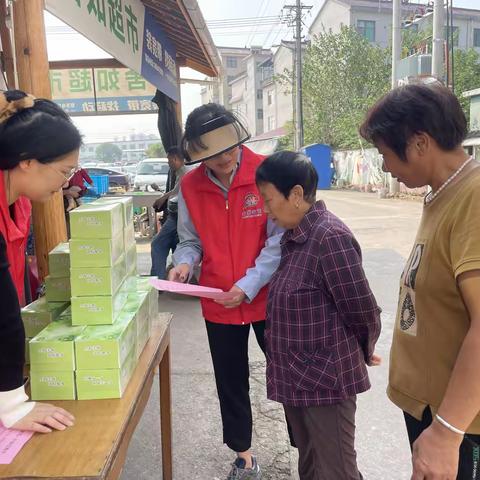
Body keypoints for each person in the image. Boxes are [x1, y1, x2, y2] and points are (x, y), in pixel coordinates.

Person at [360, 82, 480, 480]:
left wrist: (446, 433)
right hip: (434, 408)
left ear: (420, 143)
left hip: (461, 424)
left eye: (385, 154)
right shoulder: (443, 192)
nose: (385, 167)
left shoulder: (474, 197)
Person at [168, 103, 284, 479]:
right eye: (212, 153)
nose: (223, 157)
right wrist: (185, 262)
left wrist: (247, 286)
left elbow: (278, 242)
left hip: (269, 297)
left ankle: (308, 443)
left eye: (228, 148)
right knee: (229, 379)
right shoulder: (189, 185)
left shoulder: (266, 172)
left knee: (289, 373)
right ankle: (244, 456)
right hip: (218, 299)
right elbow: (190, 240)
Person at [255, 151, 382, 480]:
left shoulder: (330, 237)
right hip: (297, 380)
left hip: (326, 382)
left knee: (336, 470)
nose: (267, 211)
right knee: (311, 467)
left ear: (296, 195)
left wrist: (365, 348)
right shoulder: (294, 237)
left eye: (269, 201)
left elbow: (361, 307)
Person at [0, 90, 81, 433]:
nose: (67, 182)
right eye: (64, 170)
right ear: (27, 161)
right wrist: (12, 403)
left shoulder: (19, 201)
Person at [150, 146, 187, 280]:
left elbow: (178, 193)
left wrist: (164, 198)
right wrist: (164, 197)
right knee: (167, 243)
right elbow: (176, 190)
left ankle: (157, 281)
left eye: (168, 159)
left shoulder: (186, 172)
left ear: (175, 158)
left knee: (158, 244)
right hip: (176, 217)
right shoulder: (182, 172)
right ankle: (160, 279)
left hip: (179, 217)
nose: (168, 163)